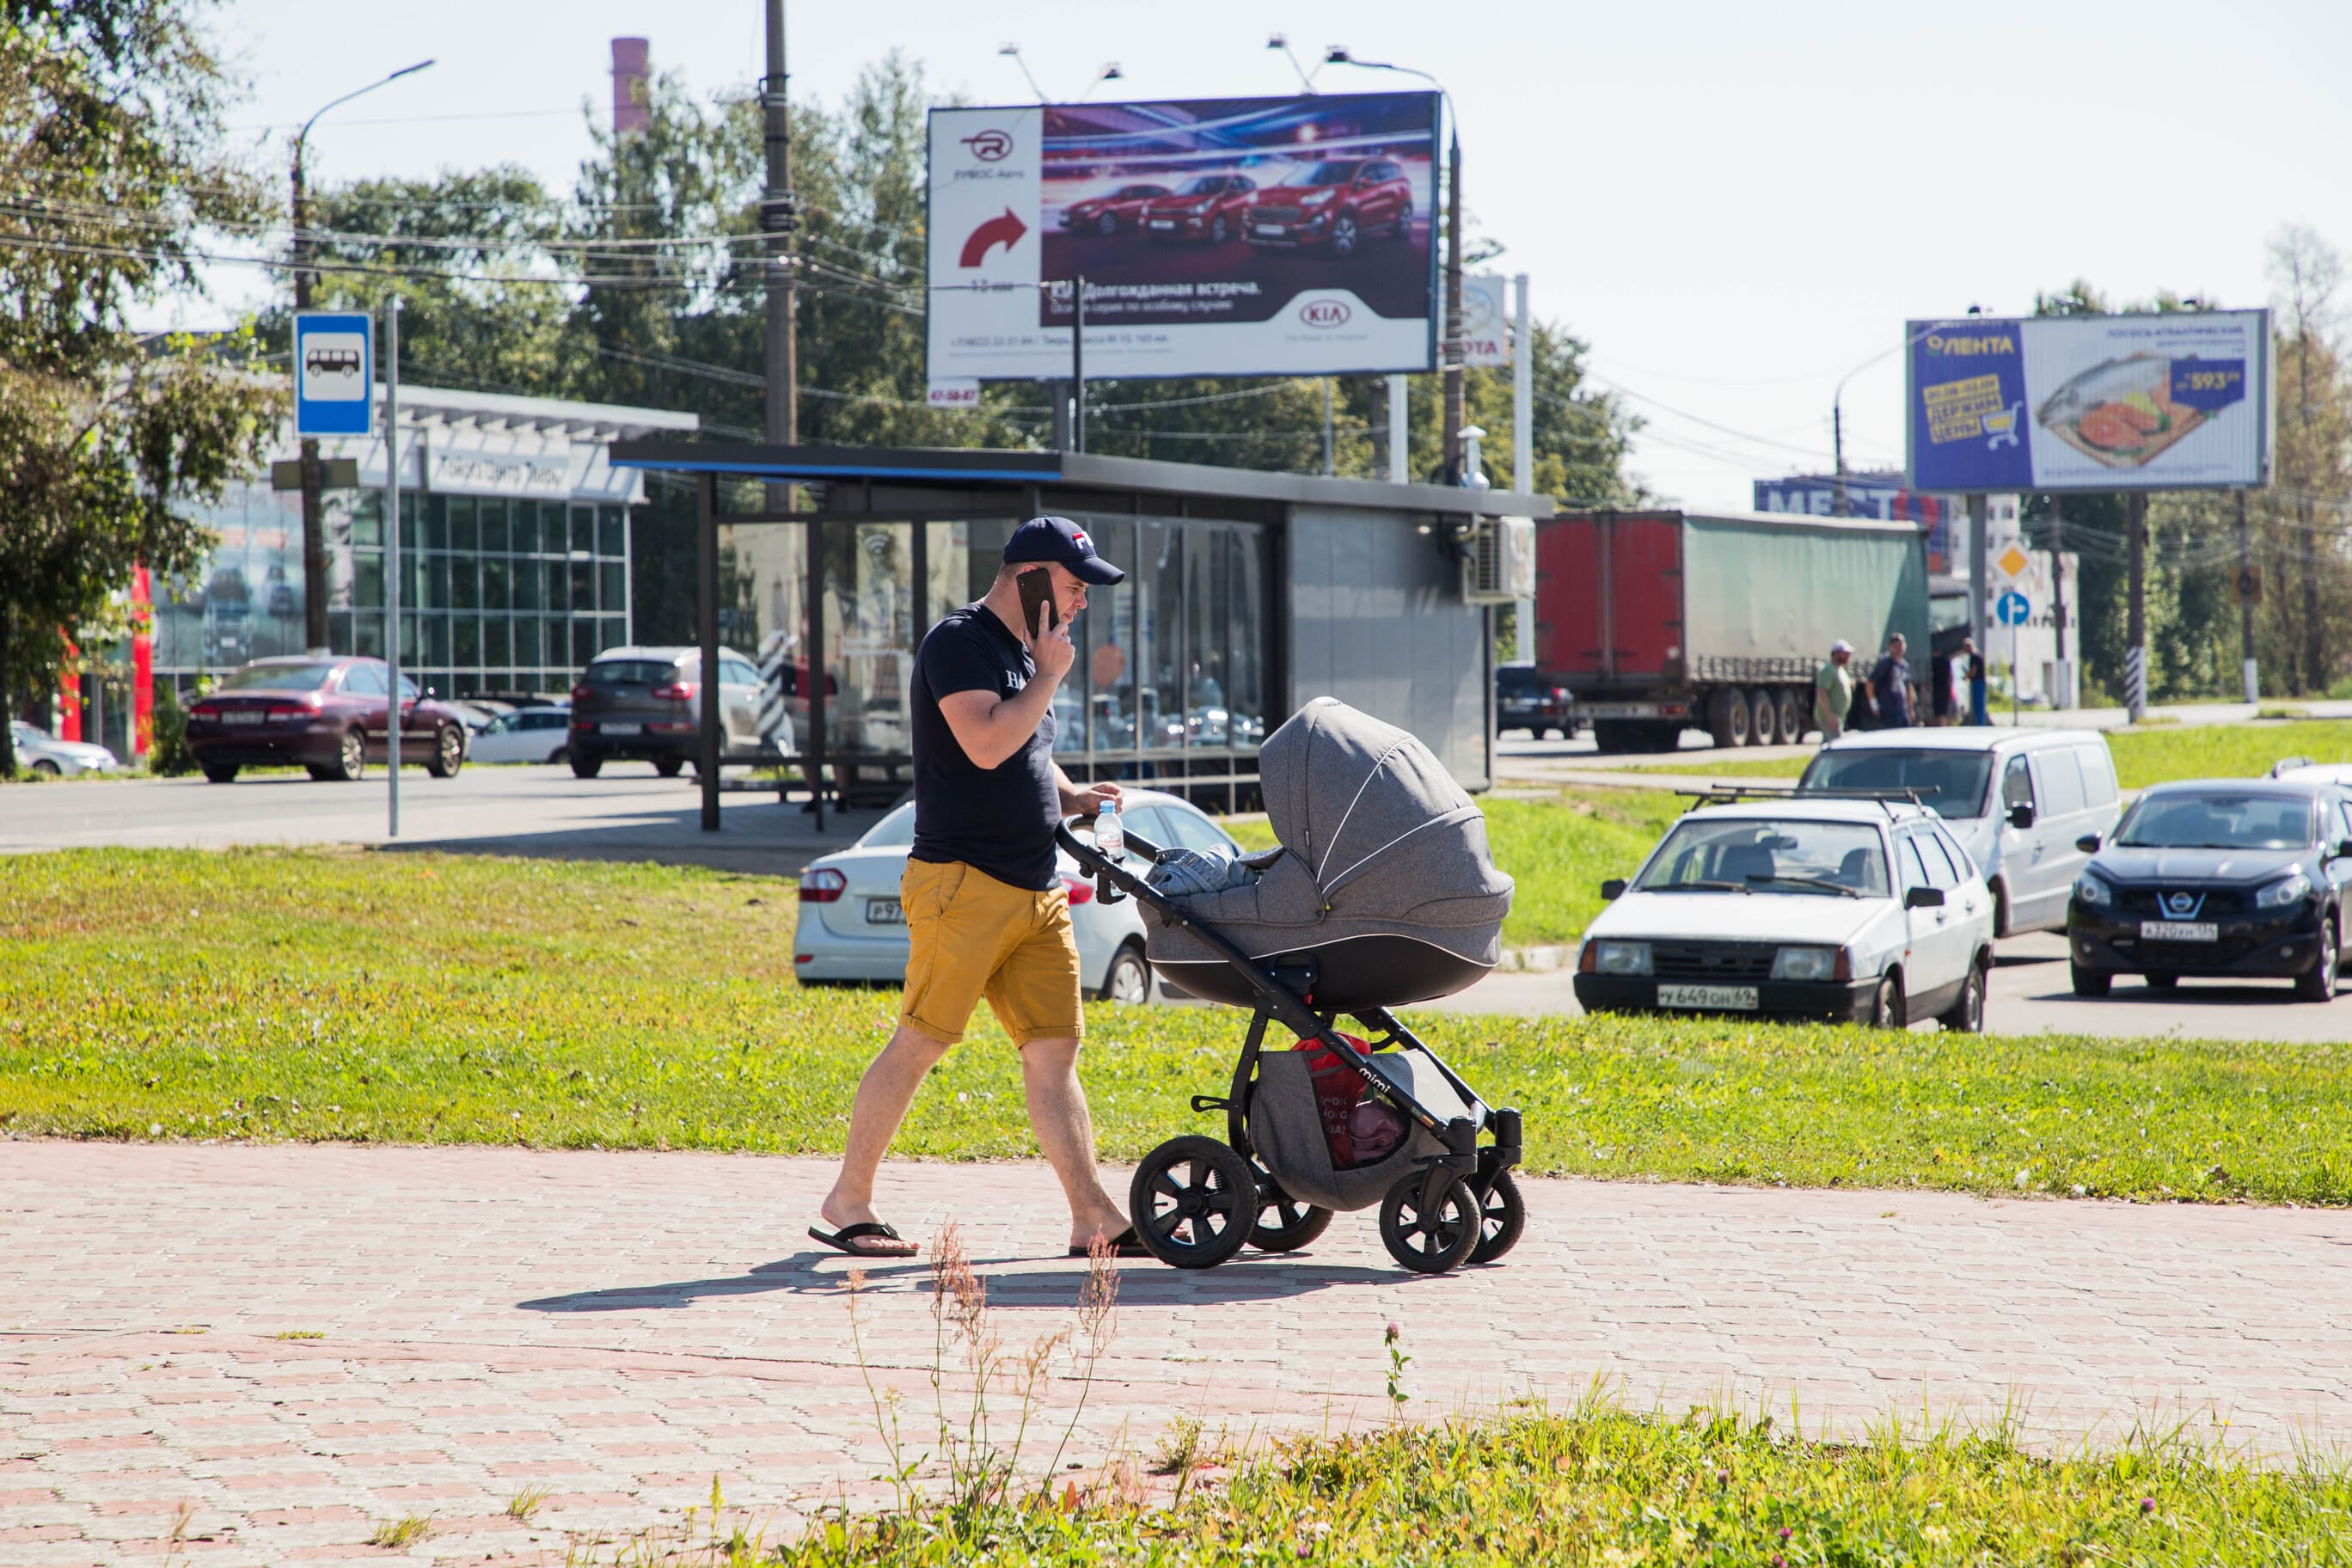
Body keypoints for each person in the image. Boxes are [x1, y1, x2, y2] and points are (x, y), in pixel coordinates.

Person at [811, 518, 1136, 1259]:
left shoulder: (1025, 655)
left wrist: (1074, 795)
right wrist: (1051, 674)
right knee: (922, 1040)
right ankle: (847, 1201)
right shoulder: (958, 642)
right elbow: (986, 741)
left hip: (1035, 887)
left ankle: (1092, 1217)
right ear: (1028, 576)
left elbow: (1026, 749)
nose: (1082, 601)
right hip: (964, 883)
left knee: (1054, 1054)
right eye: (1073, 585)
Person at [1863, 633, 1914, 730]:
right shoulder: (1885, 663)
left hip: (1902, 709)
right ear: (1890, 647)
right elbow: (1870, 684)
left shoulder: (1904, 665)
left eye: (1900, 645)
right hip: (1888, 709)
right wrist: (1874, 705)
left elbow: (1908, 687)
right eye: (1895, 646)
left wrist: (1910, 709)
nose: (1898, 649)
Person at [1813, 640, 1855, 742]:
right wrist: (1830, 717)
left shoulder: (1840, 670)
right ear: (1836, 653)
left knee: (1831, 745)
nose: (1849, 656)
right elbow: (1822, 694)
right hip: (1830, 717)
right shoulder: (1827, 670)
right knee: (1835, 745)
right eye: (1845, 653)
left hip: (1838, 717)